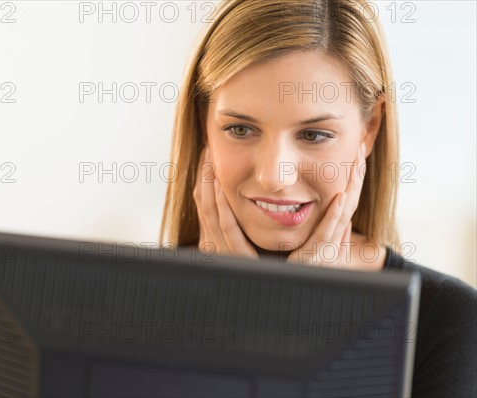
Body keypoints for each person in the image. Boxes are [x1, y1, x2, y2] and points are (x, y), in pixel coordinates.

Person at [158, 0, 477, 396]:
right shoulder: (126, 306)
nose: (275, 176)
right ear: (203, 124)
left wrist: (290, 323)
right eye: (240, 129)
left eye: (312, 135)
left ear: (369, 129)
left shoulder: (447, 321)